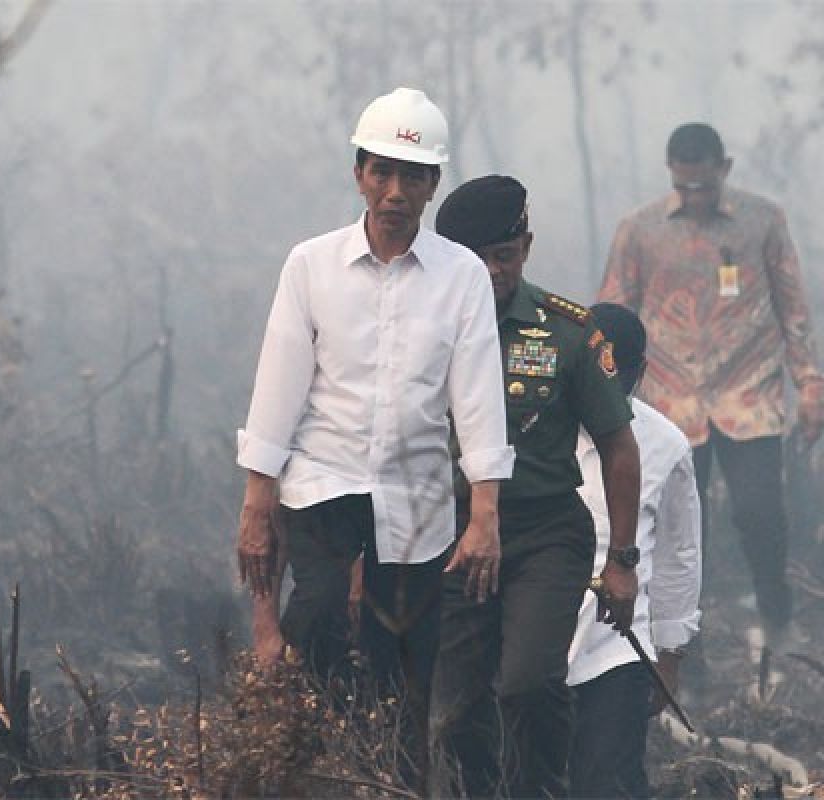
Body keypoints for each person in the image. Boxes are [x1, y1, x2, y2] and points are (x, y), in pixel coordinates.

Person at [236, 88, 513, 792]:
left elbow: (477, 397)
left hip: (416, 499)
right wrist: (256, 499)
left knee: (405, 657)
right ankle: (330, 736)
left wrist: (484, 513)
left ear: (432, 185)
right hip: (323, 480)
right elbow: (280, 382)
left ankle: (391, 774)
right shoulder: (311, 266)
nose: (395, 191)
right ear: (359, 173)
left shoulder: (462, 278)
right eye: (381, 172)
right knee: (321, 610)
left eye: (412, 176)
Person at [432, 175, 641, 799]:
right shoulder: (422, 327)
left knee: (525, 682)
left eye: (505, 255)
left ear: (525, 247)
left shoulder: (569, 334)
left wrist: (622, 562)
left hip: (544, 533)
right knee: (456, 711)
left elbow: (619, 446)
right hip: (450, 534)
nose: (492, 272)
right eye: (476, 259)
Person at [598, 122, 824, 672]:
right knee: (675, 528)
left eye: (705, 184)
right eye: (686, 186)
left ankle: (777, 614)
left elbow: (793, 306)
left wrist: (811, 384)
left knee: (759, 513)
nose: (696, 196)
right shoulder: (641, 230)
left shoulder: (763, 222)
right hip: (670, 402)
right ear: (672, 174)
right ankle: (680, 647)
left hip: (749, 396)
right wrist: (602, 394)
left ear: (723, 169)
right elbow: (611, 312)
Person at [566, 302, 702, 800]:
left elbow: (678, 556)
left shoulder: (665, 445)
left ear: (638, 373)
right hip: (534, 636)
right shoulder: (534, 428)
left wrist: (668, 659)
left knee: (607, 780)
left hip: (618, 645)